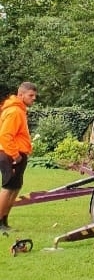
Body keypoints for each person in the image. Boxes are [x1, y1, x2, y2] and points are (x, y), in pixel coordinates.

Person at [0, 82, 38, 233]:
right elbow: (5, 135)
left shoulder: (20, 110)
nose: (34, 98)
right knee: (8, 189)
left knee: (15, 189)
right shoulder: (15, 111)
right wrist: (15, 155)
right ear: (21, 95)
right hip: (10, 155)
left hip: (18, 155)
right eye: (31, 95)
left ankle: (4, 221)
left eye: (35, 95)